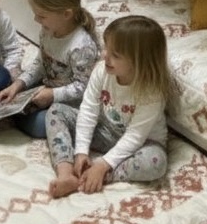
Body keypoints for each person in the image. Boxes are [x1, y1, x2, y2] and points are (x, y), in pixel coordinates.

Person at [45, 14, 175, 198]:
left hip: (142, 143)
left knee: (156, 163)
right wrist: (81, 151)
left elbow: (135, 136)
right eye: (106, 48)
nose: (104, 56)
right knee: (56, 111)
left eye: (115, 55)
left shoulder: (151, 91)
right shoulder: (101, 70)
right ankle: (66, 173)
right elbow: (88, 110)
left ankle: (92, 177)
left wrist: (102, 165)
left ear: (140, 62)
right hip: (106, 130)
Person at [0, 0, 99, 138]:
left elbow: (83, 87)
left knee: (40, 126)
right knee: (7, 91)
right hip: (47, 87)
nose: (36, 20)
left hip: (71, 102)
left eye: (42, 16)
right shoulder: (47, 31)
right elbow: (40, 64)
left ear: (66, 14)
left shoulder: (82, 46)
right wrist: (19, 84)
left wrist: (52, 95)